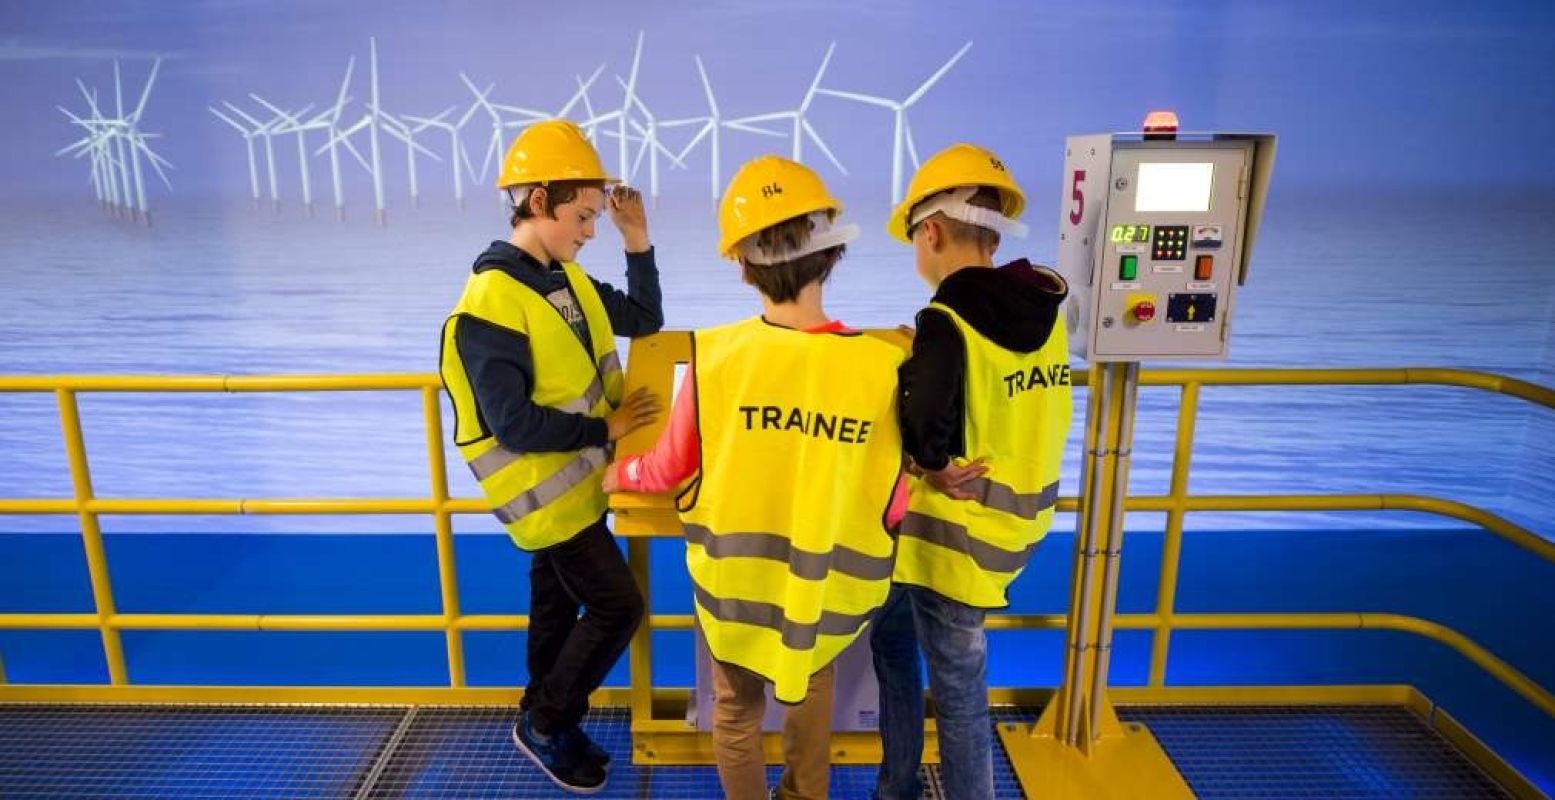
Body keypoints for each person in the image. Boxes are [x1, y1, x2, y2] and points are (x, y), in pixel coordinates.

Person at [603, 156, 908, 800]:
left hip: (734, 589)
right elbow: (896, 495)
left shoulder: (715, 358)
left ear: (741, 265)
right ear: (832, 256)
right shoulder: (884, 369)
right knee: (810, 696)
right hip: (822, 593)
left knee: (736, 712)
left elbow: (668, 468)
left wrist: (617, 472)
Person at [437, 119, 663, 794]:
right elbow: (512, 423)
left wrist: (637, 241)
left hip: (581, 488)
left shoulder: (564, 280)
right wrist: (609, 428)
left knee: (556, 608)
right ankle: (548, 720)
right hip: (548, 492)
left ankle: (543, 714)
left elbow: (643, 321)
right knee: (618, 608)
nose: (589, 230)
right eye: (583, 215)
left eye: (595, 218)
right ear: (539, 202)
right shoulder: (491, 300)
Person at [871, 143, 1074, 800]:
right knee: (894, 640)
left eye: (914, 241)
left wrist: (929, 464)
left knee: (954, 693)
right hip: (1013, 529)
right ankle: (895, 786)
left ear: (930, 232)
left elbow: (928, 417)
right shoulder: (1044, 311)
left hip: (948, 539)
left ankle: (914, 789)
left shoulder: (945, 318)